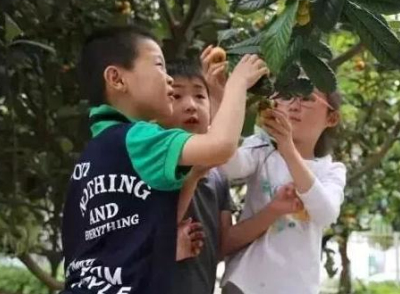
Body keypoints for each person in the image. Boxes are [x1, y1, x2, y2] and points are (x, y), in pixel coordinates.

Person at [59, 25, 268, 294]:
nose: (168, 79)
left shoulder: (97, 153)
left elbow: (153, 226)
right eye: (159, 66)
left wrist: (192, 176)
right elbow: (222, 146)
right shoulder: (138, 138)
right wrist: (238, 83)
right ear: (116, 78)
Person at [168, 51, 304, 293]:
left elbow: (222, 243)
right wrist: (237, 84)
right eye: (176, 95)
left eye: (200, 95)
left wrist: (274, 209)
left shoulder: (218, 175)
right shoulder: (153, 162)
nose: (190, 105)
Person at [219, 88, 347, 294]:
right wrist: (223, 97)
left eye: (307, 98)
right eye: (286, 96)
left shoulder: (331, 170)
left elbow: (326, 213)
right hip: (244, 283)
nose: (294, 106)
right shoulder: (260, 149)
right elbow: (228, 166)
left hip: (296, 287)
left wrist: (288, 149)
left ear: (331, 118)